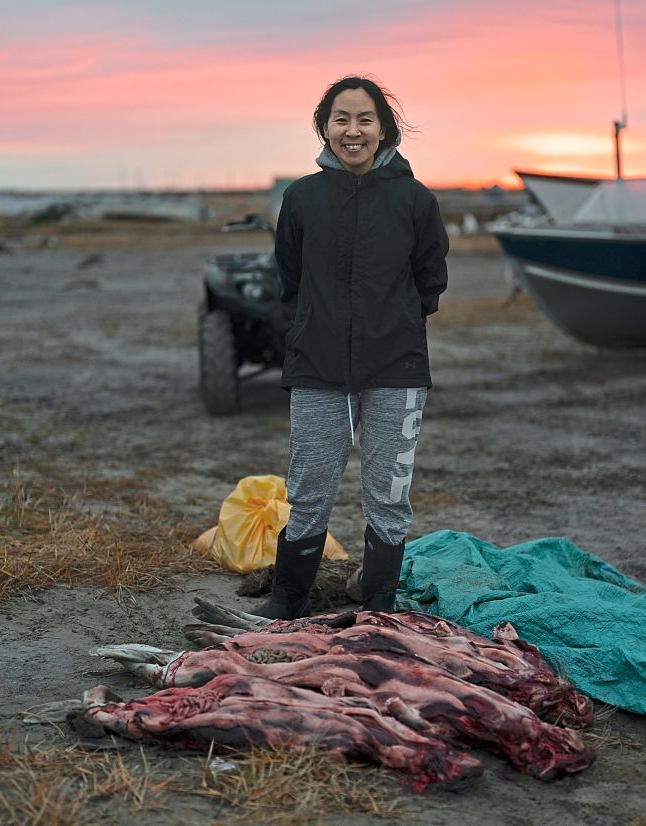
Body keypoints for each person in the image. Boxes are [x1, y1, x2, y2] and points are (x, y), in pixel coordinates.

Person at [252, 75, 449, 619]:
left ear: (383, 128)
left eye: (365, 119)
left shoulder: (415, 200)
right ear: (325, 128)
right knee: (310, 486)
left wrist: (396, 323)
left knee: (388, 493)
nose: (353, 130)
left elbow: (431, 278)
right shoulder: (301, 198)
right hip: (316, 366)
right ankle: (288, 598)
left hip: (396, 368)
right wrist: (316, 327)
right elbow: (289, 280)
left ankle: (380, 604)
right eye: (342, 119)